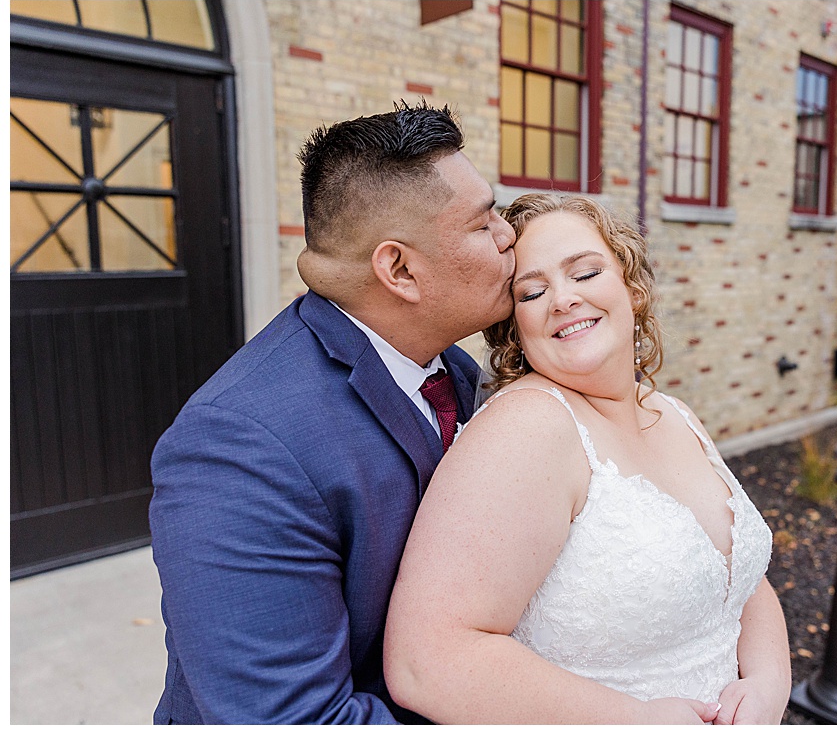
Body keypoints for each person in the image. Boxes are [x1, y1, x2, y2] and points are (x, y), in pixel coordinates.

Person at [148, 103, 515, 723]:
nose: (510, 235)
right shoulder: (238, 449)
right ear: (399, 269)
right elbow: (290, 719)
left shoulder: (450, 365)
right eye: (484, 226)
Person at [383, 194, 790, 724]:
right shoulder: (529, 428)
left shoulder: (676, 414)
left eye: (586, 273)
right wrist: (635, 720)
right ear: (516, 328)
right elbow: (426, 662)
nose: (563, 300)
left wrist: (766, 685)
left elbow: (741, 582)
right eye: (532, 292)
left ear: (631, 286)